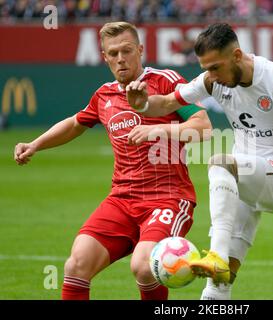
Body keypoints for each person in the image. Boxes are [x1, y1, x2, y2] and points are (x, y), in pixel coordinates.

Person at [125, 23, 273, 300]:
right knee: (218, 284)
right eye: (205, 68)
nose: (210, 75)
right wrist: (141, 104)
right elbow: (167, 103)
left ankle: (215, 254)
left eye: (215, 67)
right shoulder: (212, 80)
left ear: (237, 56)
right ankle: (219, 265)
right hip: (245, 178)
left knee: (220, 162)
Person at [13, 21, 212, 300]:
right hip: (121, 199)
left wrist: (158, 129)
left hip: (167, 197)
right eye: (113, 53)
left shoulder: (165, 81)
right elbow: (75, 124)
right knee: (76, 265)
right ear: (105, 57)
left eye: (127, 50)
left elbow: (203, 127)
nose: (121, 58)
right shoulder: (104, 95)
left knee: (144, 267)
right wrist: (35, 144)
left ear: (140, 50)